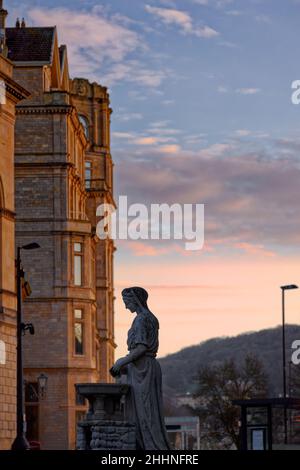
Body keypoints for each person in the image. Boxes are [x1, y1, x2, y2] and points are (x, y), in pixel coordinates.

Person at [110, 286, 171, 450]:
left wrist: (121, 362)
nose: (125, 306)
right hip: (142, 368)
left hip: (143, 369)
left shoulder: (142, 319)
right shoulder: (149, 318)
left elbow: (141, 348)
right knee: (145, 411)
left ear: (135, 300)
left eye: (127, 302)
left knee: (144, 412)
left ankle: (151, 448)